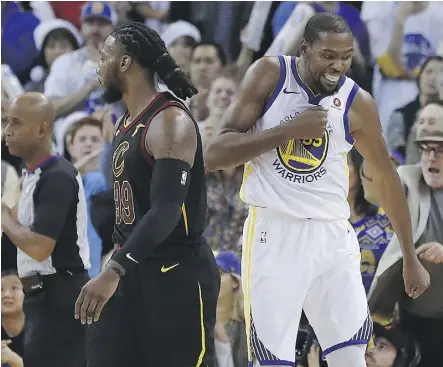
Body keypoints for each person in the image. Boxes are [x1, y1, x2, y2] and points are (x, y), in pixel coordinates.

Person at [204, 13, 430, 367]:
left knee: (353, 357)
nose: (337, 66)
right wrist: (285, 132)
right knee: (271, 361)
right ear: (304, 49)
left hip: (332, 236)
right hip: (274, 231)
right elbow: (214, 155)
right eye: (328, 55)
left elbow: (387, 179)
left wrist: (410, 256)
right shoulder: (269, 75)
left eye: (346, 56)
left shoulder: (358, 103)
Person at [74, 22, 220, 367]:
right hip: (132, 270)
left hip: (176, 275)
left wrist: (114, 269)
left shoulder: (169, 120)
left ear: (125, 63)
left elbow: (167, 209)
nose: (98, 66)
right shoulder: (126, 121)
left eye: (104, 56)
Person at [1, 92, 90, 367]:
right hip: (41, 296)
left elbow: (40, 246)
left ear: (42, 129)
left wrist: (4, 217)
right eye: (6, 123)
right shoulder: (32, 173)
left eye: (16, 123)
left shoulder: (57, 176)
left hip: (61, 295)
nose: (7, 131)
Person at [214, 251, 248, 367]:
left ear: (235, 282)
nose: (213, 278)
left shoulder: (247, 329)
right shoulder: (198, 325)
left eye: (220, 273)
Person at [1, 270, 25, 367]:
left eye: (14, 288)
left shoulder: (41, 331)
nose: (6, 295)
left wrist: (13, 359)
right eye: (1, 289)